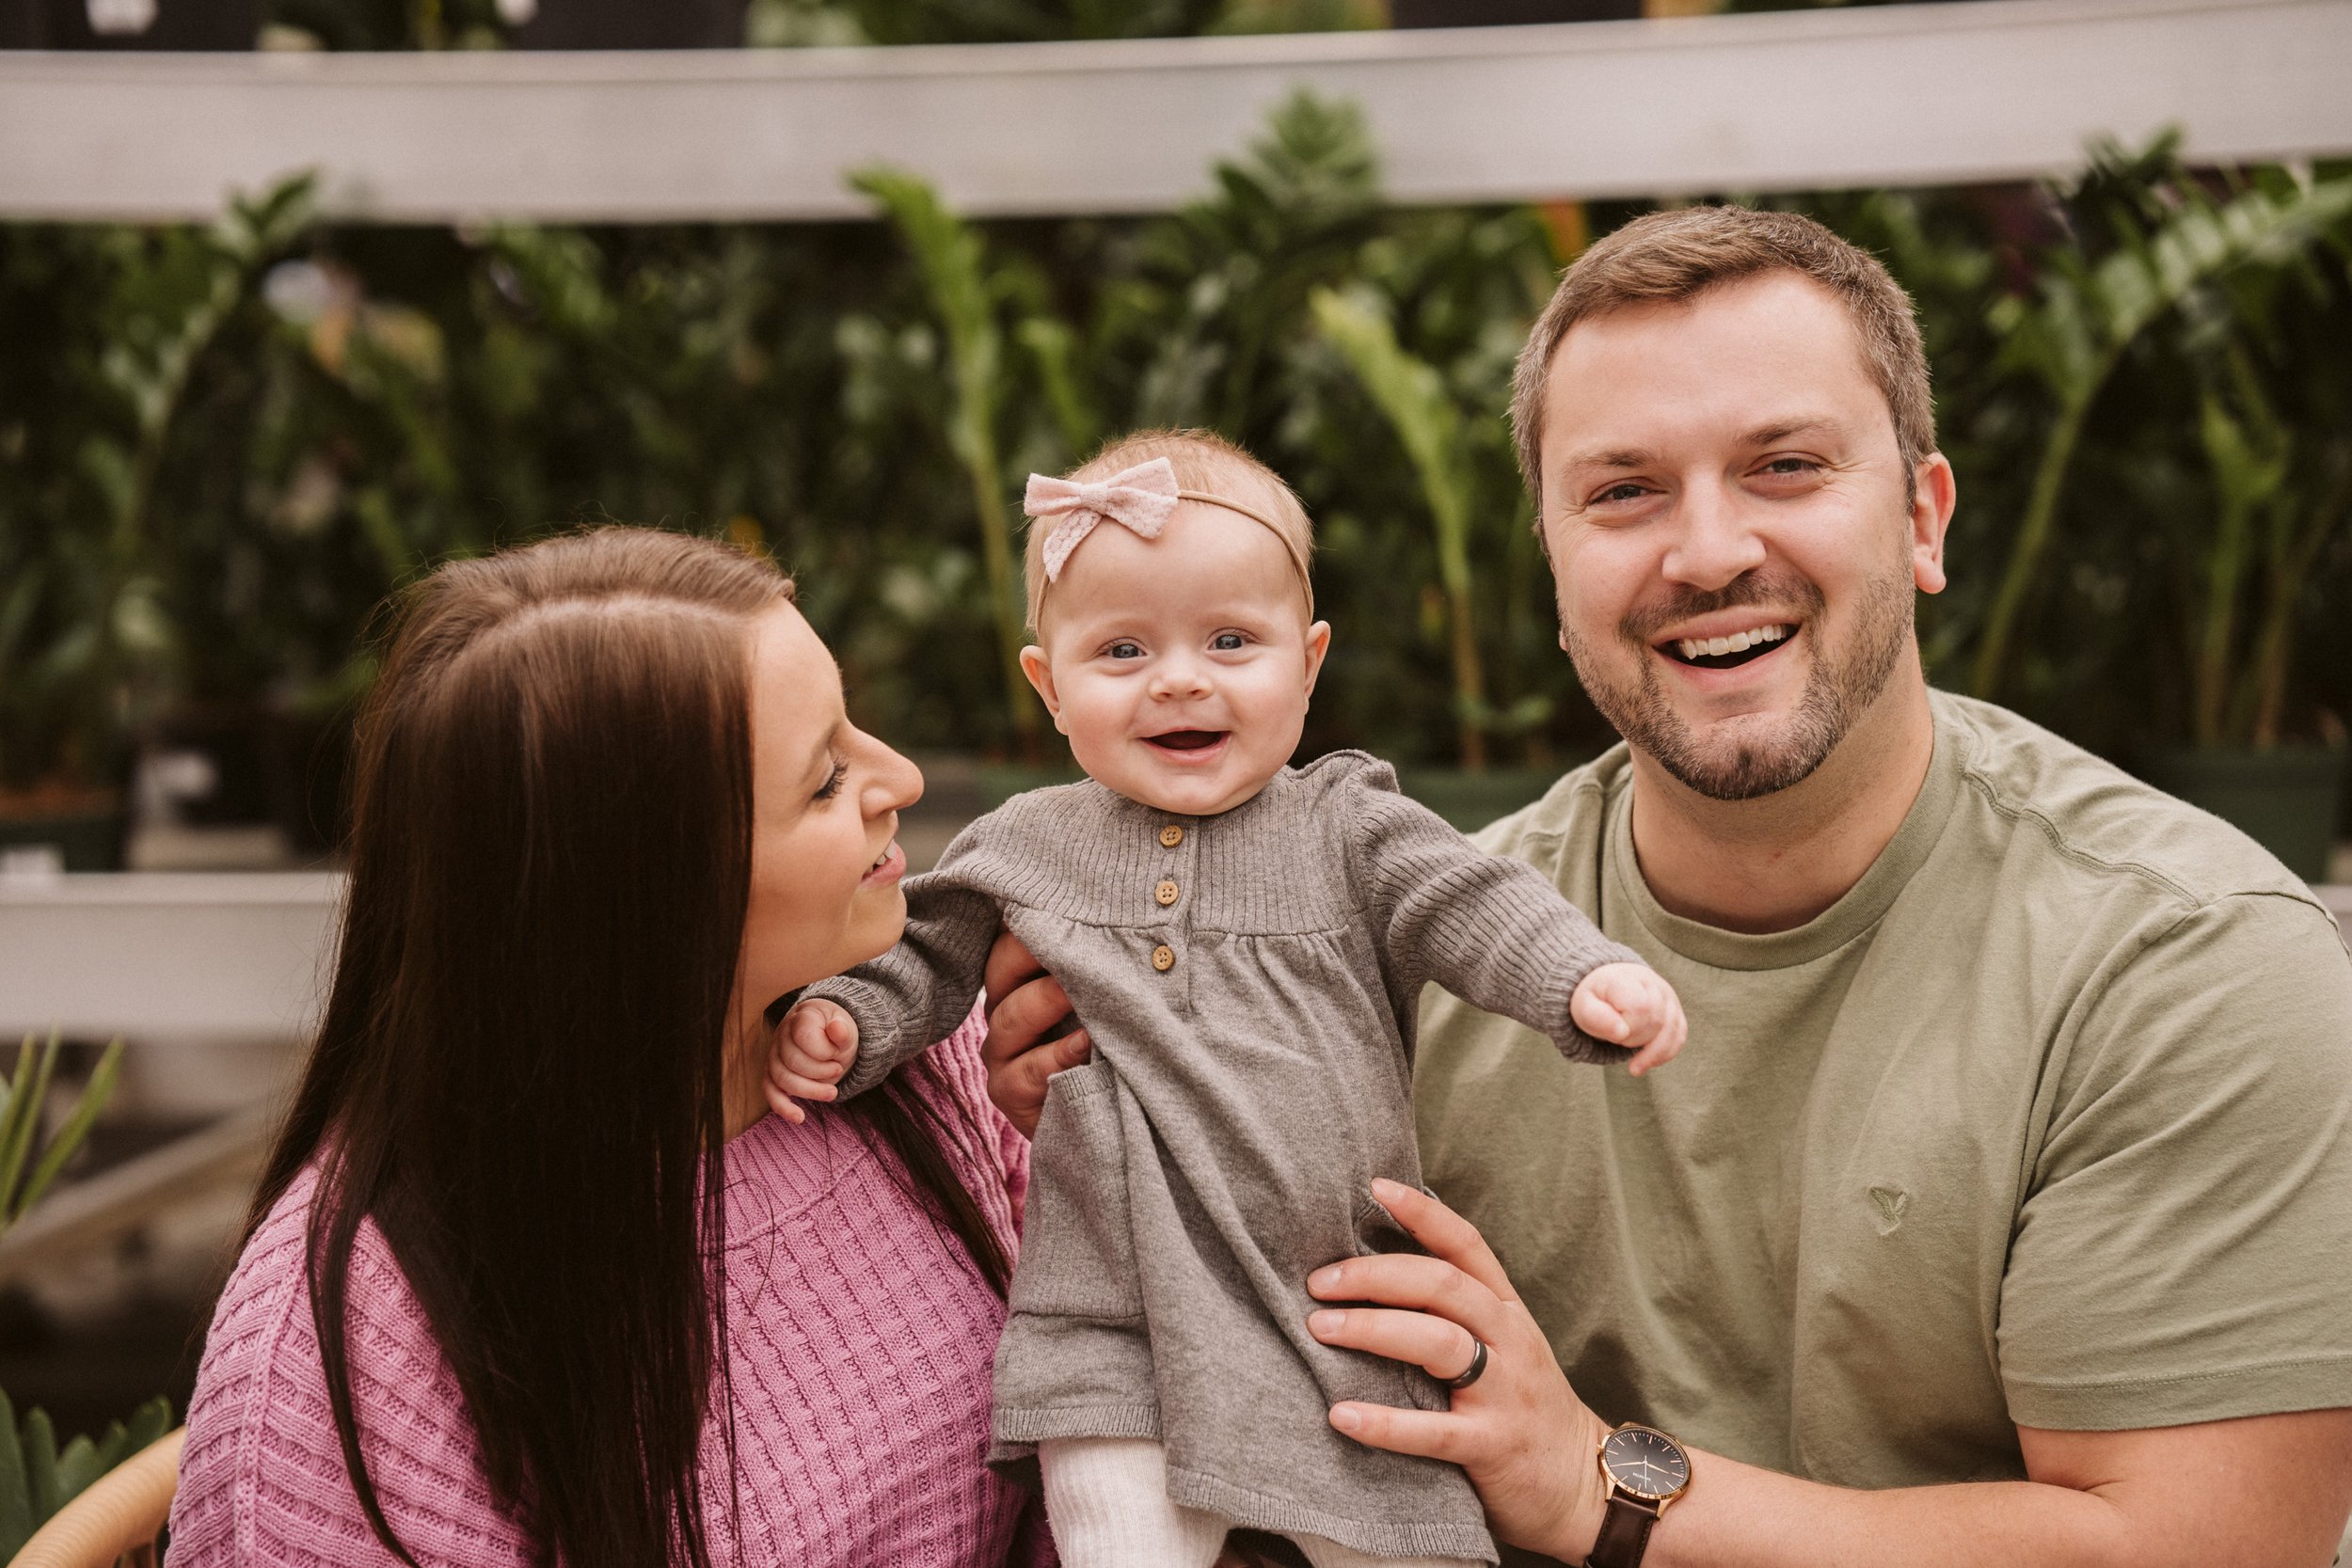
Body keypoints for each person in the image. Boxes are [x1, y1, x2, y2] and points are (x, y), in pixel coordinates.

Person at [979, 208, 2352, 1567]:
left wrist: (1597, 1486)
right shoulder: (1406, 945)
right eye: (1623, 491)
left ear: (1924, 519)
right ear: (1554, 564)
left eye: (1785, 466)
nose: (1706, 552)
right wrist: (1129, 1087)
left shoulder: (2183, 961)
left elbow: (2202, 1545)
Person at [767, 429, 1686, 1568]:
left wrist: (1581, 975)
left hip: (1332, 1303)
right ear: (1048, 686)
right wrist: (849, 1017)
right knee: (1119, 1539)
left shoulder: (1348, 826)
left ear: (1308, 664)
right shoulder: (1022, 843)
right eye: (1122, 648)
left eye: (1230, 640)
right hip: (1118, 1315)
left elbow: (1473, 899)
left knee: (1401, 1537)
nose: (1180, 678)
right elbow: (922, 953)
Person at [168, 529, 1049, 1568]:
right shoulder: (353, 1362)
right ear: (637, 896)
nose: (899, 776)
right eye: (824, 780)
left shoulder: (923, 1046)